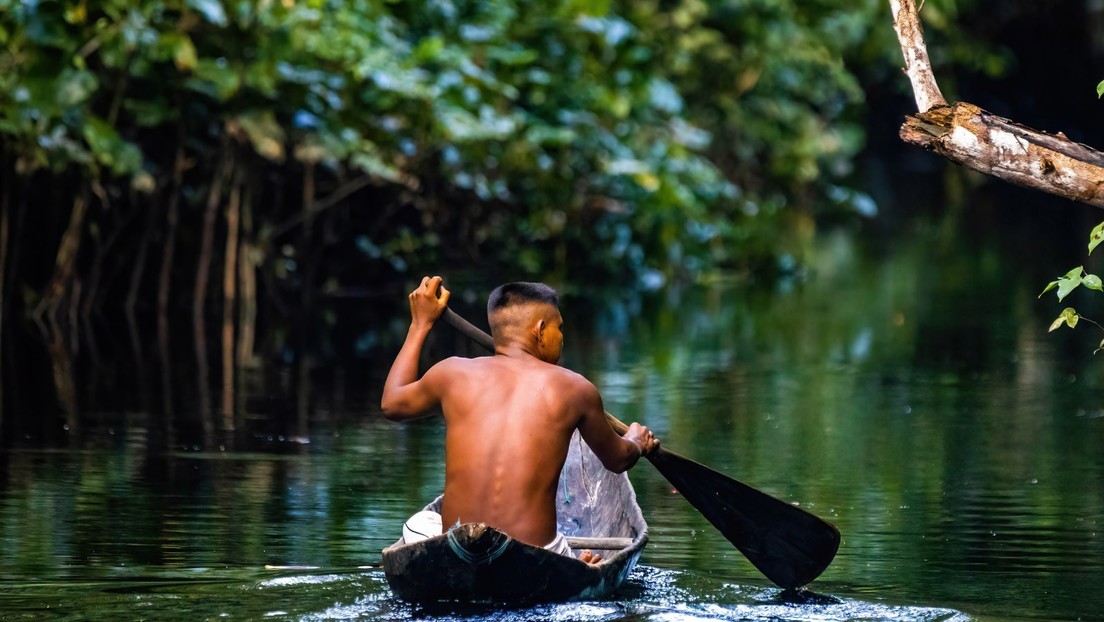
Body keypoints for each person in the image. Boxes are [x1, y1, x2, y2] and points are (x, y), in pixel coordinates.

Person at [381, 276, 659, 563]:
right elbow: (617, 460)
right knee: (563, 556)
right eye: (559, 328)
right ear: (540, 330)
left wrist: (420, 325)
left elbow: (392, 404)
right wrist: (636, 441)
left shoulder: (451, 373)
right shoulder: (576, 389)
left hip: (457, 549)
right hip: (536, 556)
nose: (562, 337)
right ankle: (573, 564)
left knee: (422, 524)